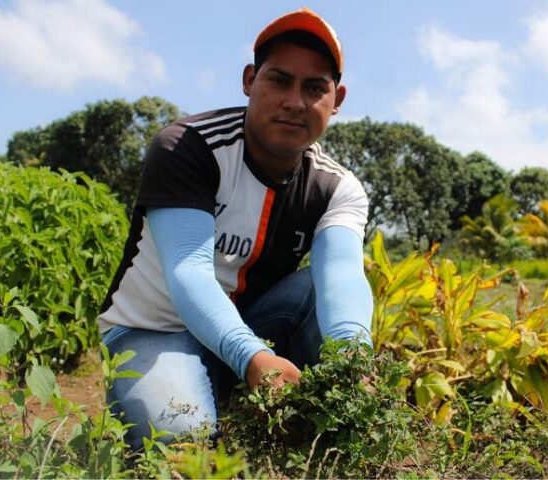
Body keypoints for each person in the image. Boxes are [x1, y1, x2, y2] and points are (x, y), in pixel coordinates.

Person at [96, 8, 373, 449]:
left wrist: (353, 362)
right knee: (182, 444)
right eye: (279, 80)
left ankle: (297, 426)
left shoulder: (337, 186)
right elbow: (190, 273)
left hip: (252, 326)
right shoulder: (190, 148)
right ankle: (209, 400)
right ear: (249, 80)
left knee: (317, 291)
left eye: (314, 88)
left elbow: (341, 276)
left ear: (336, 100)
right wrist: (252, 356)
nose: (295, 102)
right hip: (156, 329)